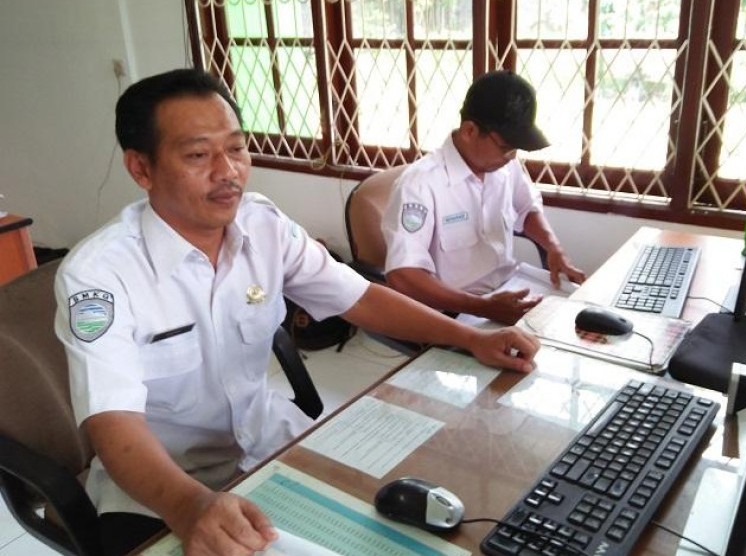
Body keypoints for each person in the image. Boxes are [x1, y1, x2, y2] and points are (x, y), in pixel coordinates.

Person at [53, 68, 541, 556]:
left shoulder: (262, 223)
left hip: (266, 444)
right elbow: (111, 423)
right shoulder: (99, 276)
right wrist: (190, 506)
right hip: (162, 490)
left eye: (238, 148)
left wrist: (471, 338)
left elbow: (361, 296)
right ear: (142, 169)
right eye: (199, 155)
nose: (228, 172)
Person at [381, 70, 586, 325]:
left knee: (576, 323)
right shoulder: (420, 185)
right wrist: (483, 308)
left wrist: (554, 248)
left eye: (516, 149)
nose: (512, 156)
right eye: (505, 147)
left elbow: (526, 209)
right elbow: (403, 275)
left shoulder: (502, 165)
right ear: (469, 131)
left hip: (508, 288)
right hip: (453, 311)